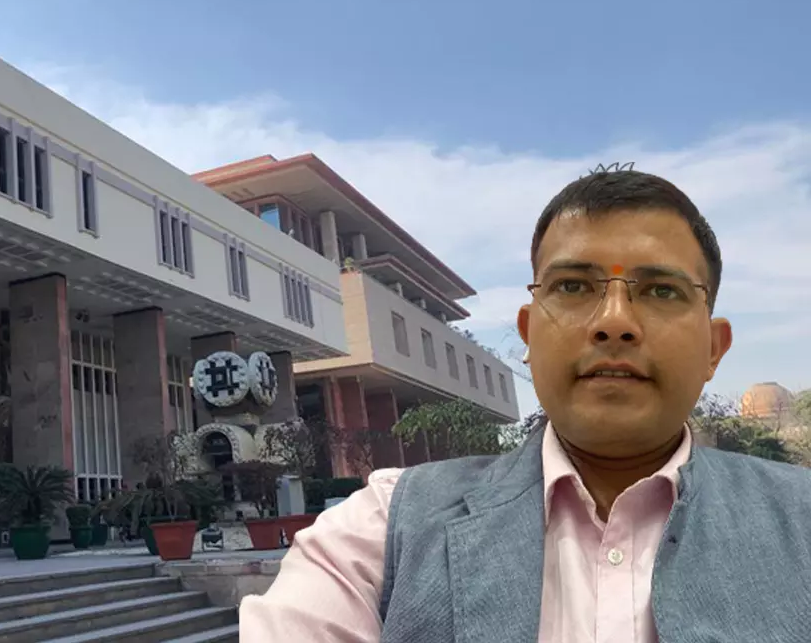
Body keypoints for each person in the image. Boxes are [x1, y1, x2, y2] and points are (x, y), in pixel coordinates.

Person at [239, 169, 811, 641]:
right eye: (574, 286)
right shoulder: (382, 529)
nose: (614, 322)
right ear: (529, 335)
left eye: (662, 290)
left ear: (714, 349)